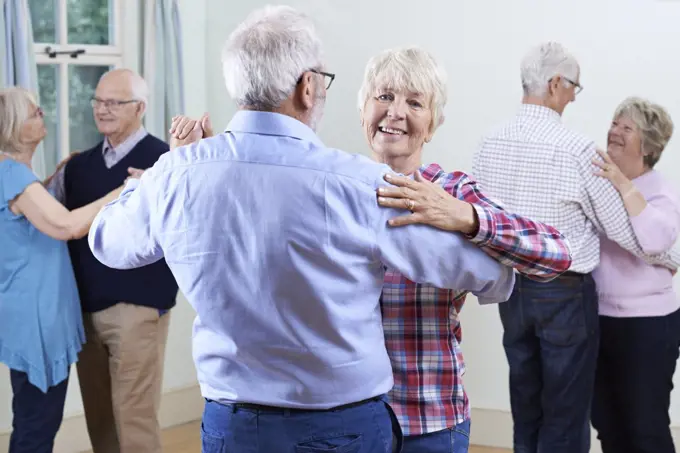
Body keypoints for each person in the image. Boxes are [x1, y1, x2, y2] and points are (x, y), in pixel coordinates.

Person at [86, 6, 516, 453]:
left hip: (230, 426)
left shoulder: (177, 173)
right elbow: (489, 274)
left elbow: (107, 242)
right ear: (307, 87)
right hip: (339, 427)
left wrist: (169, 168)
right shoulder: (357, 185)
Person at [355, 47, 572, 453]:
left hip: (431, 418)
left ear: (432, 125)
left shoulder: (453, 190)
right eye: (383, 96)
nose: (396, 112)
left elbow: (555, 254)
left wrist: (467, 217)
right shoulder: (336, 188)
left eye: (415, 102)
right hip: (350, 421)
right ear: (363, 108)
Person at [471, 42, 680, 453]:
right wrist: (667, 258)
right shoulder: (576, 150)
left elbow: (481, 217)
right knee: (566, 414)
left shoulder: (489, 142)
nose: (573, 96)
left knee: (528, 403)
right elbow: (631, 234)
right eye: (574, 87)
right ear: (555, 84)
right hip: (565, 295)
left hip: (512, 290)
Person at [46, 69, 178, 453]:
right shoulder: (77, 165)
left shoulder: (164, 161)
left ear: (140, 108)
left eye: (113, 102)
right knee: (99, 419)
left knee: (134, 418)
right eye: (98, 101)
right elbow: (44, 217)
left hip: (138, 310)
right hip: (84, 311)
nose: (102, 110)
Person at [0, 87, 132, 453]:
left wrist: (55, 176)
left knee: (33, 417)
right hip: (36, 318)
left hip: (31, 312)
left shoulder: (17, 177)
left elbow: (26, 220)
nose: (41, 114)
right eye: (33, 113)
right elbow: (67, 226)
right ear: (13, 127)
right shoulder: (13, 176)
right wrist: (127, 188)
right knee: (37, 424)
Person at [590, 97, 680, 453]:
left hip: (648, 326)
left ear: (649, 145)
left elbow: (656, 239)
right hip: (598, 320)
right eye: (614, 122)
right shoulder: (598, 183)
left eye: (627, 128)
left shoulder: (662, 191)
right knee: (608, 423)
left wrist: (624, 186)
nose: (615, 131)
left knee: (645, 427)